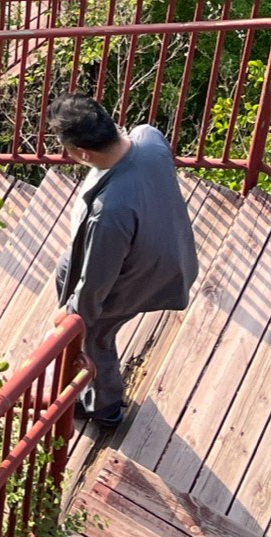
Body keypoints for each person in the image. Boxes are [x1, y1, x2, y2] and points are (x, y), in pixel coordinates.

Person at [49, 92, 198, 434]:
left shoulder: (109, 213)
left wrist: (72, 317)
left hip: (145, 274)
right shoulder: (149, 137)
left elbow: (97, 283)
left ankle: (106, 406)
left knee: (95, 334)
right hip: (168, 248)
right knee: (64, 268)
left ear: (83, 153)